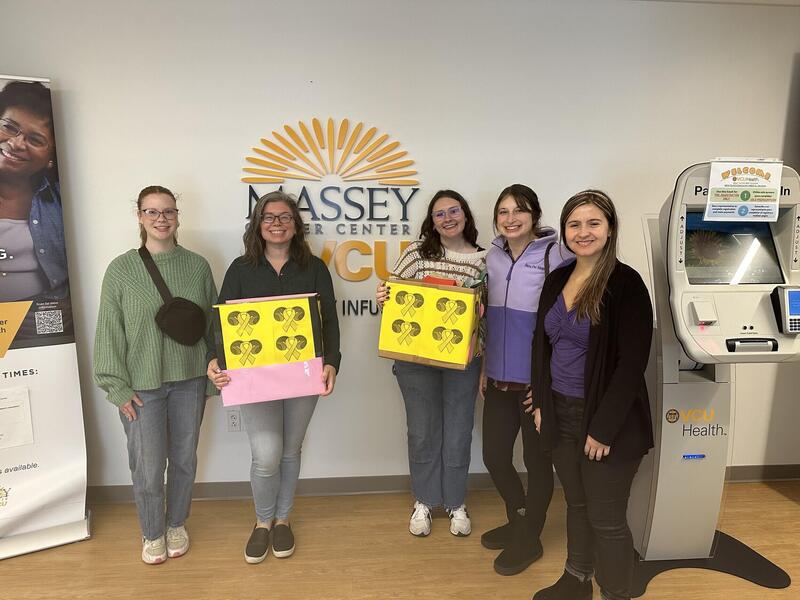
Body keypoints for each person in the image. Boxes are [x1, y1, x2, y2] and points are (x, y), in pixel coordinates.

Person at [530, 190, 654, 600]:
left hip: (607, 421)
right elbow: (541, 347)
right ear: (564, 231)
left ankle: (616, 592)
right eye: (574, 224)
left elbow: (630, 365)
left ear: (610, 228)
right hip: (561, 414)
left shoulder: (626, 284)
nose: (583, 232)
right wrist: (541, 407)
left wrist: (602, 429)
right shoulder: (557, 279)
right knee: (578, 505)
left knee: (606, 517)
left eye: (593, 223)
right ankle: (576, 579)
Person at [207, 190, 340, 565]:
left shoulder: (314, 268)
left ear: (296, 224)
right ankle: (262, 521)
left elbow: (329, 319)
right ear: (258, 225)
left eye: (284, 217)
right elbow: (220, 322)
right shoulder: (240, 269)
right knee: (266, 455)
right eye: (269, 217)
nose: (277, 224)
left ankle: (283, 518)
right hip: (254, 379)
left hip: (304, 375)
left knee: (290, 450)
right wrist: (214, 360)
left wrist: (333, 362)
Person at [93, 185, 217, 565]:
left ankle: (177, 522)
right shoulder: (121, 269)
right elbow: (110, 330)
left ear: (178, 216)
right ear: (140, 217)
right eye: (152, 212)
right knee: (147, 466)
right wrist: (115, 386)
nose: (161, 219)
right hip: (141, 386)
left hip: (190, 379)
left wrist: (214, 366)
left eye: (168, 211)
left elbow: (212, 323)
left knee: (183, 459)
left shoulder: (197, 266)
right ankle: (152, 532)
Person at [376, 189, 485, 538]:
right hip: (416, 361)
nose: (448, 217)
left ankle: (455, 502)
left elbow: (489, 314)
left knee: (457, 432)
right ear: (432, 221)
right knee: (422, 431)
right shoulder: (417, 254)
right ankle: (424, 499)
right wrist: (385, 296)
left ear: (466, 215)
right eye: (440, 213)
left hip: (463, 361)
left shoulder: (485, 260)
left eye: (454, 210)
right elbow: (396, 296)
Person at [480, 184, 572, 575]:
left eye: (519, 210)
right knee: (495, 457)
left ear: (534, 214)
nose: (511, 218)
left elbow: (563, 323)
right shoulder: (492, 256)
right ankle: (519, 518)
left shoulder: (556, 254)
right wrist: (485, 367)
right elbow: (480, 314)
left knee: (537, 463)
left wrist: (546, 380)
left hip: (536, 382)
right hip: (498, 378)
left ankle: (530, 537)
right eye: (503, 211)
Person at [0, 80, 67, 303]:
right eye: (8, 127)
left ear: (50, 157)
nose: (17, 143)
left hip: (41, 320)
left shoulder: (59, 200)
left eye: (35, 139)